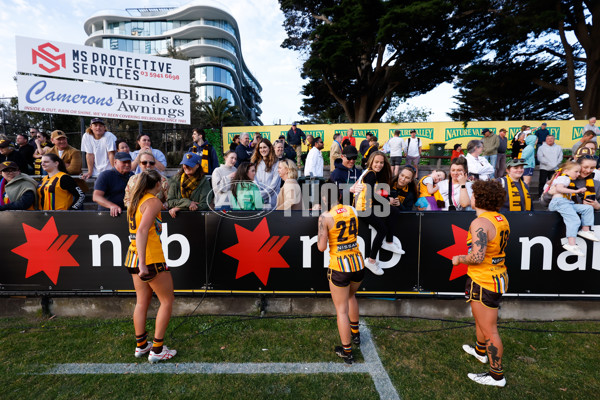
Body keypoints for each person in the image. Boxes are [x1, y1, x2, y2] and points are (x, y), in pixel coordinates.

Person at [452, 180, 509, 387]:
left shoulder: (480, 223)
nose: (472, 198)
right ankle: (480, 351)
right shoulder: (500, 218)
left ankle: (496, 376)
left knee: (490, 329)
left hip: (484, 280)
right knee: (481, 320)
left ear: (480, 198)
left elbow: (476, 257)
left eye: (474, 194)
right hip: (496, 276)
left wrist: (459, 258)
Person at [125, 169, 176, 363]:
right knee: (167, 301)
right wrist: (144, 264)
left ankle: (141, 345)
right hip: (149, 258)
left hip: (132, 256)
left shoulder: (134, 201)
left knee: (141, 301)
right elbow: (143, 230)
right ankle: (157, 349)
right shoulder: (152, 201)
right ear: (156, 185)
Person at [316, 188, 365, 364]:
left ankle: (347, 351)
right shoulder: (352, 210)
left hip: (340, 266)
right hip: (358, 262)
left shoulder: (325, 217)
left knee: (341, 310)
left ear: (323, 198)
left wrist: (320, 225)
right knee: (352, 296)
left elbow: (321, 247)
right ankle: (356, 335)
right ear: (338, 196)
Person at [352, 151, 402, 275]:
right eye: (377, 162)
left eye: (381, 163)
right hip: (363, 209)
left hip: (366, 206)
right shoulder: (370, 174)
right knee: (382, 230)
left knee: (394, 211)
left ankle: (389, 242)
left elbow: (376, 191)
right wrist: (387, 200)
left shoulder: (373, 174)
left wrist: (388, 197)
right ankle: (371, 260)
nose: (379, 165)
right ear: (371, 162)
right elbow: (371, 194)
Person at [546, 161, 600, 256]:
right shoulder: (563, 178)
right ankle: (571, 244)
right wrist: (577, 191)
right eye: (576, 171)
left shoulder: (568, 179)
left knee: (587, 208)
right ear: (566, 171)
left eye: (579, 171)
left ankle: (585, 230)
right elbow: (559, 189)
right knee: (574, 220)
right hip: (559, 202)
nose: (578, 174)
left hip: (567, 203)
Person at [167, 152, 212, 217]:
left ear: (197, 165)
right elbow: (170, 202)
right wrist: (188, 203)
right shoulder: (175, 180)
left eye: (190, 164)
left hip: (197, 219)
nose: (186, 166)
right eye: (184, 164)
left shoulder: (204, 182)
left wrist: (179, 208)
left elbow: (204, 205)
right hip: (177, 219)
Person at [93, 152, 134, 217]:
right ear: (115, 162)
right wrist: (111, 205)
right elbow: (96, 197)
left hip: (127, 214)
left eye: (129, 162)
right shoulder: (105, 175)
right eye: (124, 162)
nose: (127, 165)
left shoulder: (132, 175)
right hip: (108, 214)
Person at [251, 139, 281, 209]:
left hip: (272, 199)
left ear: (270, 148)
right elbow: (254, 180)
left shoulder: (276, 163)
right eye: (260, 148)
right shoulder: (255, 163)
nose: (262, 150)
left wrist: (262, 194)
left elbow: (274, 184)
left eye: (264, 147)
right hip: (259, 200)